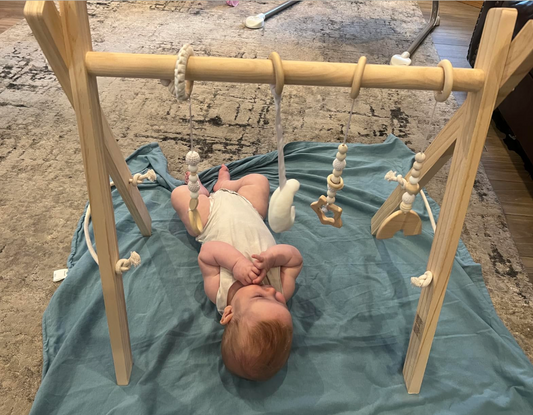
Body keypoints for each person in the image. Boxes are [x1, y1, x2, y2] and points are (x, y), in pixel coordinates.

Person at [171, 165, 303, 380]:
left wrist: (237, 264)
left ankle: (202, 192)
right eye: (281, 303)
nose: (271, 291)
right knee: (259, 181)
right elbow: (295, 261)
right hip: (250, 209)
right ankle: (224, 184)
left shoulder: (219, 292)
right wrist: (273, 258)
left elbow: (207, 253)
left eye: (260, 296)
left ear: (229, 313)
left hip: (210, 217)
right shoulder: (280, 289)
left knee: (179, 195)